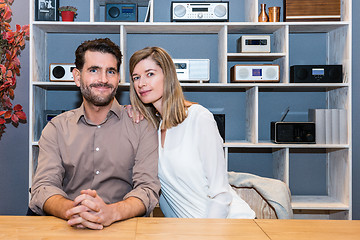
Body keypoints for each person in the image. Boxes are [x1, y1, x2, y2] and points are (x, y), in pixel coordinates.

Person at [28, 38, 160, 230]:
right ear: (77, 76)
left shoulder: (141, 126)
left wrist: (111, 212)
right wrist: (74, 210)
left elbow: (147, 189)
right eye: (93, 70)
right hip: (68, 226)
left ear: (118, 78)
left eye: (111, 71)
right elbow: (43, 188)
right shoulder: (56, 128)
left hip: (124, 227)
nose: (103, 79)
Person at [128, 46, 256, 218]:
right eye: (136, 77)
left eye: (150, 74)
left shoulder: (199, 118)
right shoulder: (153, 129)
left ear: (168, 76)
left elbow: (220, 193)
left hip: (228, 225)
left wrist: (207, 234)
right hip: (189, 229)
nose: (141, 83)